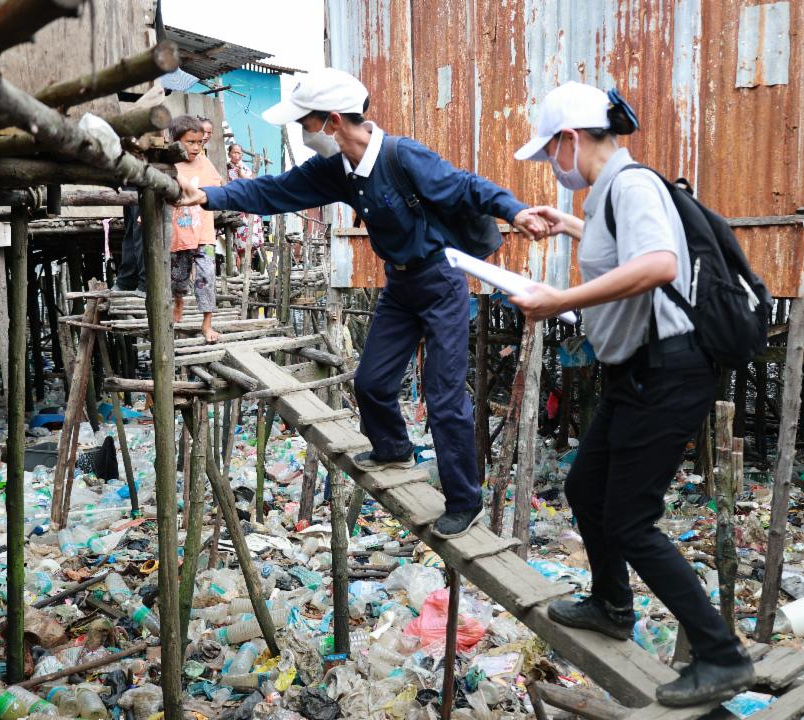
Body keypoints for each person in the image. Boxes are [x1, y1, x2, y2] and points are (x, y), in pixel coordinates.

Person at [174, 68, 547, 539]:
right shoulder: (338, 170)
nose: (304, 135)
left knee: (444, 393)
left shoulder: (403, 156)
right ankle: (392, 446)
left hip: (442, 280)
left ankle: (463, 499)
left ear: (331, 122)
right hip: (401, 285)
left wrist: (516, 210)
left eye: (306, 125)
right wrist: (207, 195)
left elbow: (467, 186)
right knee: (371, 382)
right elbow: (273, 191)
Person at [510, 81, 753, 707]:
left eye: (550, 154)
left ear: (570, 139)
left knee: (632, 521)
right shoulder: (612, 192)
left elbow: (659, 264)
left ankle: (720, 654)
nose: (551, 167)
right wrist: (568, 224)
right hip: (637, 372)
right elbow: (620, 245)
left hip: (670, 371)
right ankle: (612, 604)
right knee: (585, 488)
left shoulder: (633, 184)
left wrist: (558, 300)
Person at [169, 115, 225, 343]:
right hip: (179, 233)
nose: (195, 147)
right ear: (175, 141)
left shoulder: (204, 162)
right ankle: (179, 301)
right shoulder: (169, 165)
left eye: (199, 142)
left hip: (204, 233)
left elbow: (218, 185)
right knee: (178, 278)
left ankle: (207, 323)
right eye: (189, 142)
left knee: (206, 276)